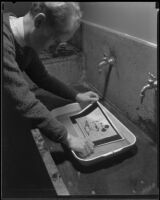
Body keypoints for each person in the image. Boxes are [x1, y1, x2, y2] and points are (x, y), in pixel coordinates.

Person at [2, 2, 99, 194]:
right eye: (54, 40)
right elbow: (24, 102)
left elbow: (42, 77)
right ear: (39, 21)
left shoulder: (25, 42)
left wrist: (76, 95)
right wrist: (67, 138)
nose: (53, 48)